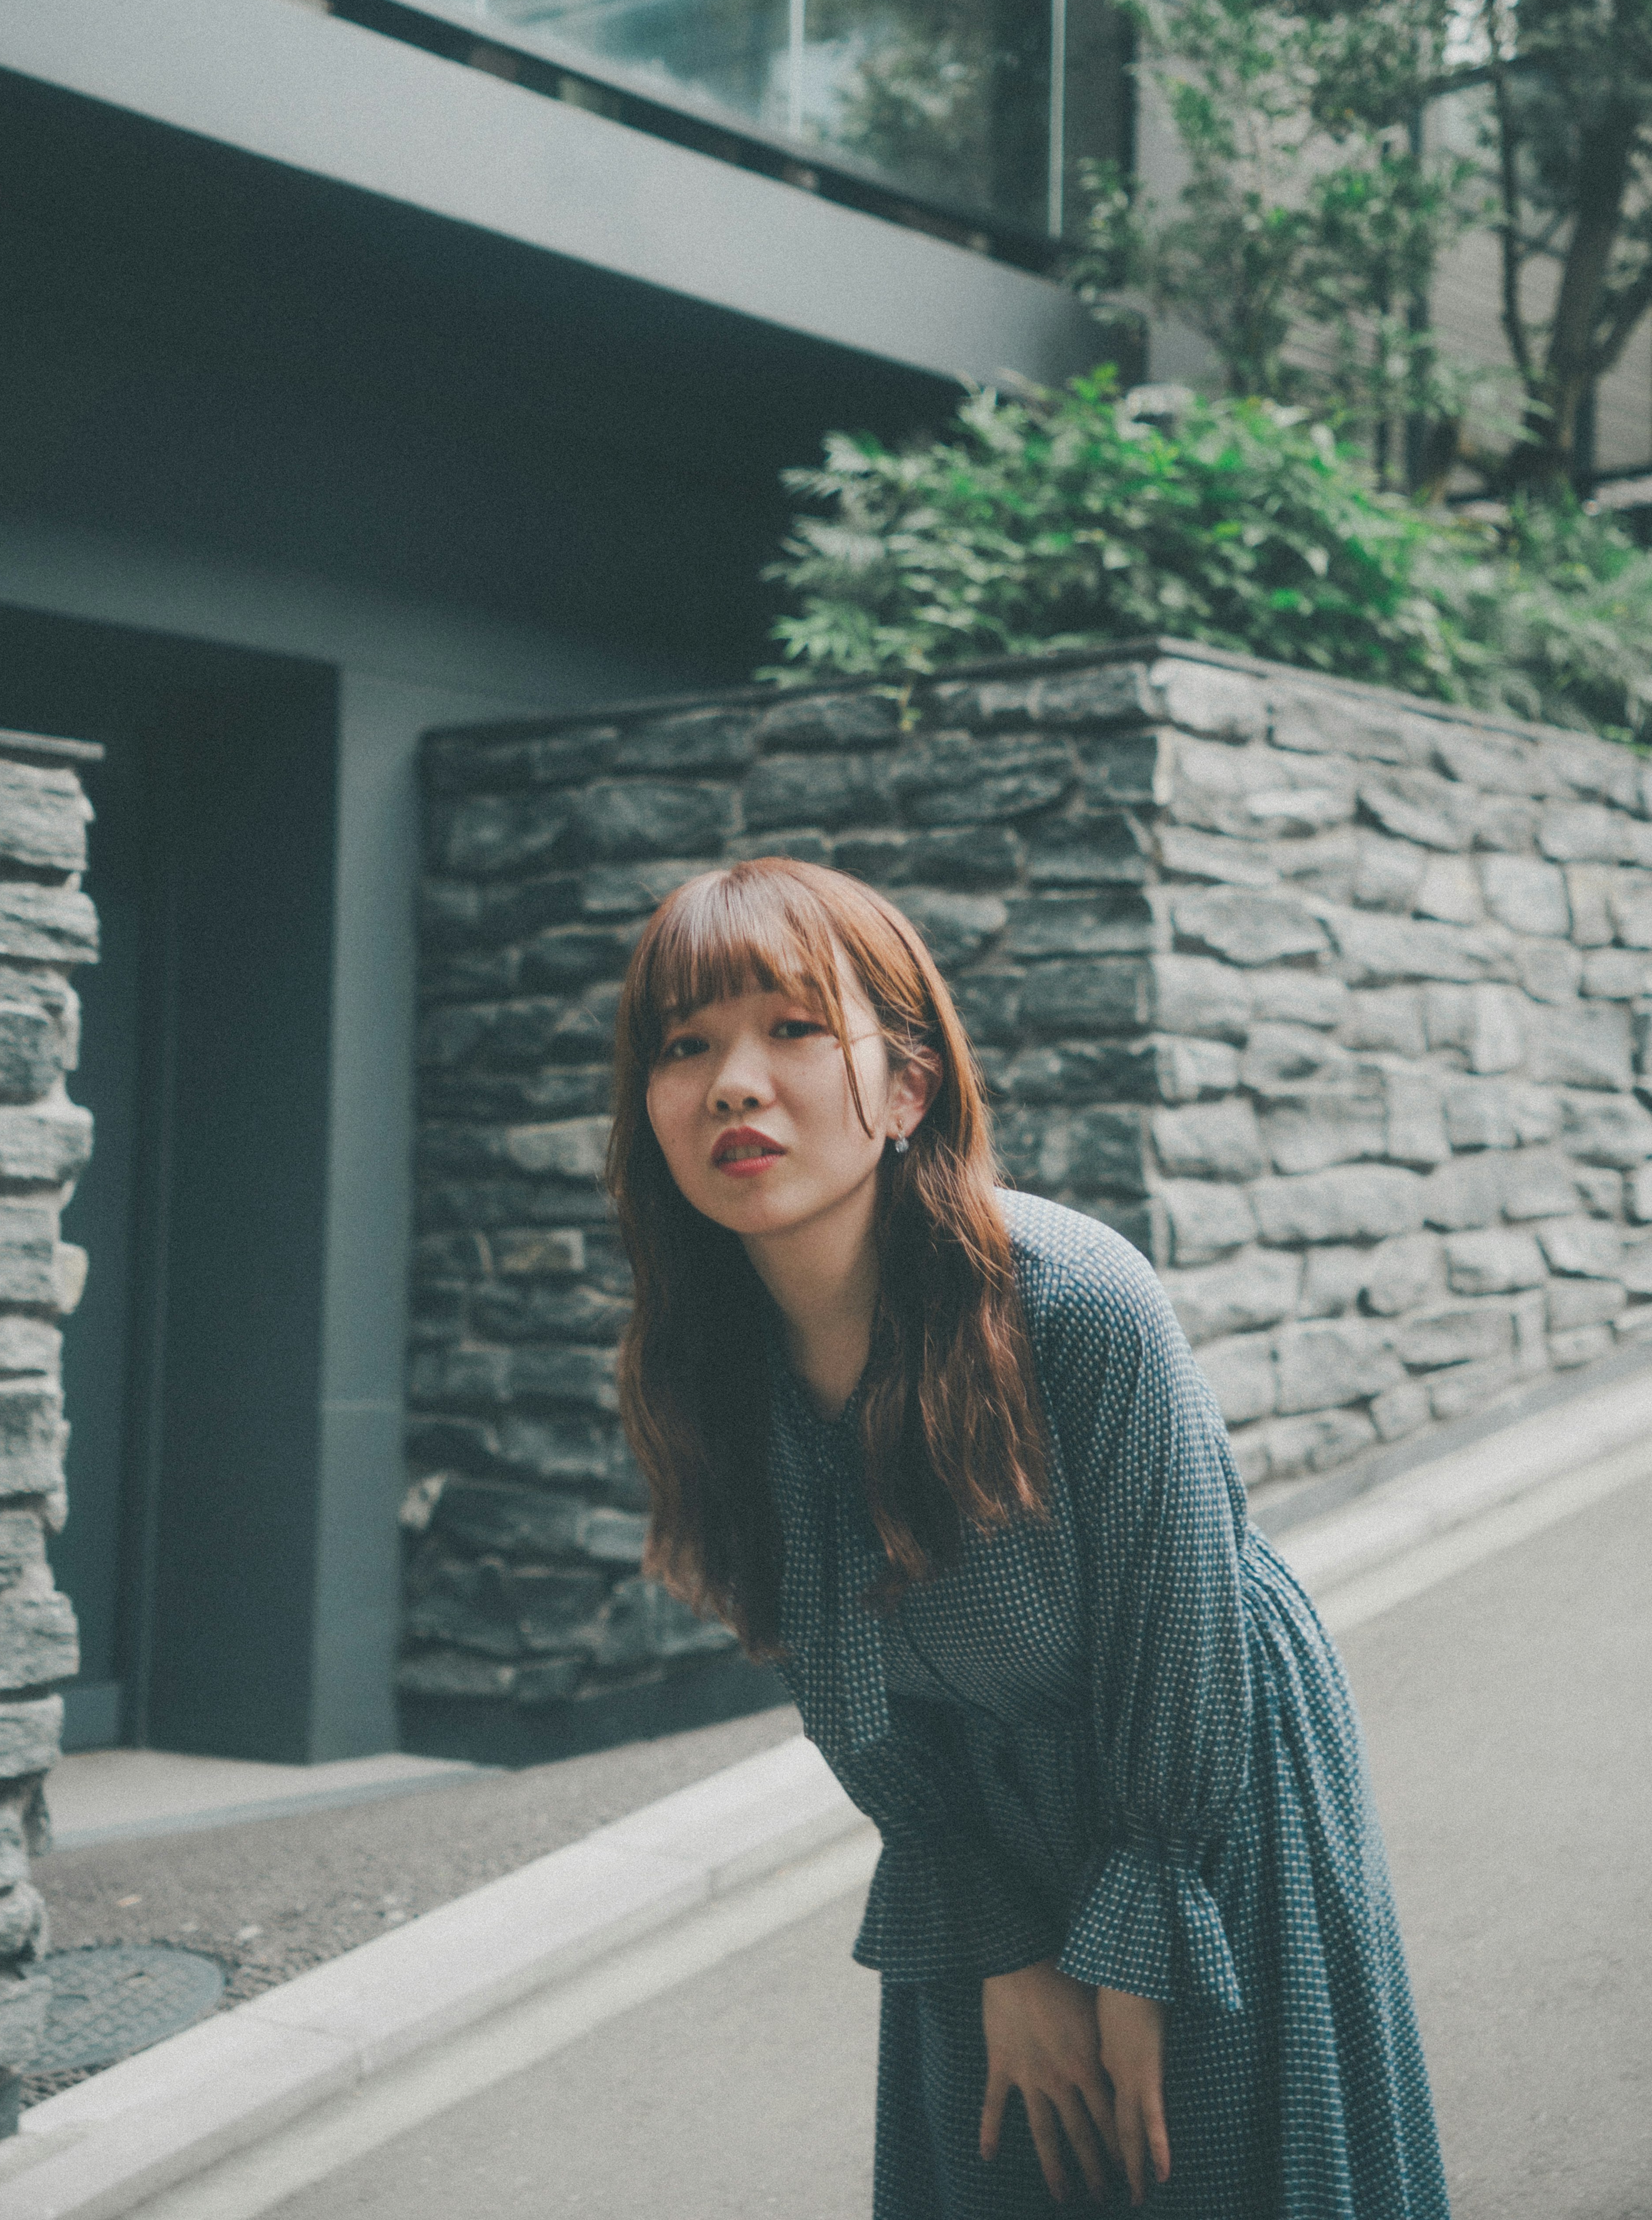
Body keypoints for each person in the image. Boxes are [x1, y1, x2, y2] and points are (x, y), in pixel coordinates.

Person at [607, 856, 1450, 2218]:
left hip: (1205, 1789)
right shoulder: (708, 1364)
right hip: (975, 1832)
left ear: (906, 1090)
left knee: (1209, 2163)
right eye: (684, 1045)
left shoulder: (1075, 1304)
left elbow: (1184, 1651)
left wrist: (1134, 1953)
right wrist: (1004, 1952)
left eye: (795, 1028)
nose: (734, 1085)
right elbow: (842, 1691)